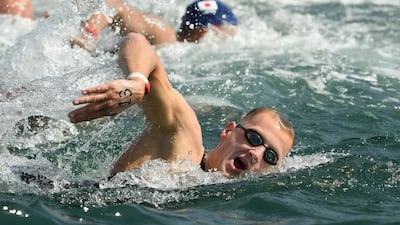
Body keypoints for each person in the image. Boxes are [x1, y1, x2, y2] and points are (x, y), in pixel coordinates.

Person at [68, 32, 295, 178]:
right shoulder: (182, 140)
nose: (257, 154)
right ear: (228, 131)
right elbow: (137, 40)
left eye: (271, 156)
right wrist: (136, 82)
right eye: (254, 138)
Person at [71, 0, 238, 50]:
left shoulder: (174, 47)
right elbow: (115, 6)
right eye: (226, 34)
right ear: (204, 32)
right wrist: (89, 33)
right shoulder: (163, 33)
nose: (229, 39)